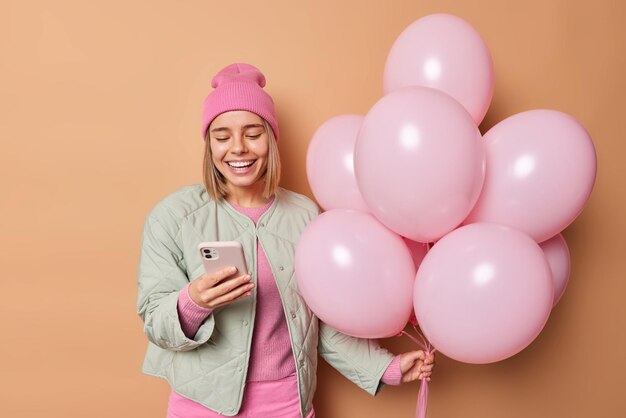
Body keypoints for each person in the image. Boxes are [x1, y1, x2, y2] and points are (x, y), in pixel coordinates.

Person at [136, 63, 435, 418]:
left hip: (287, 405)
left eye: (252, 133)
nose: (238, 149)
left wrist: (383, 368)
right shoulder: (173, 216)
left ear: (271, 137)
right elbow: (155, 319)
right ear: (209, 145)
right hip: (201, 405)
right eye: (222, 136)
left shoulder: (305, 215)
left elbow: (320, 320)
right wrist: (193, 302)